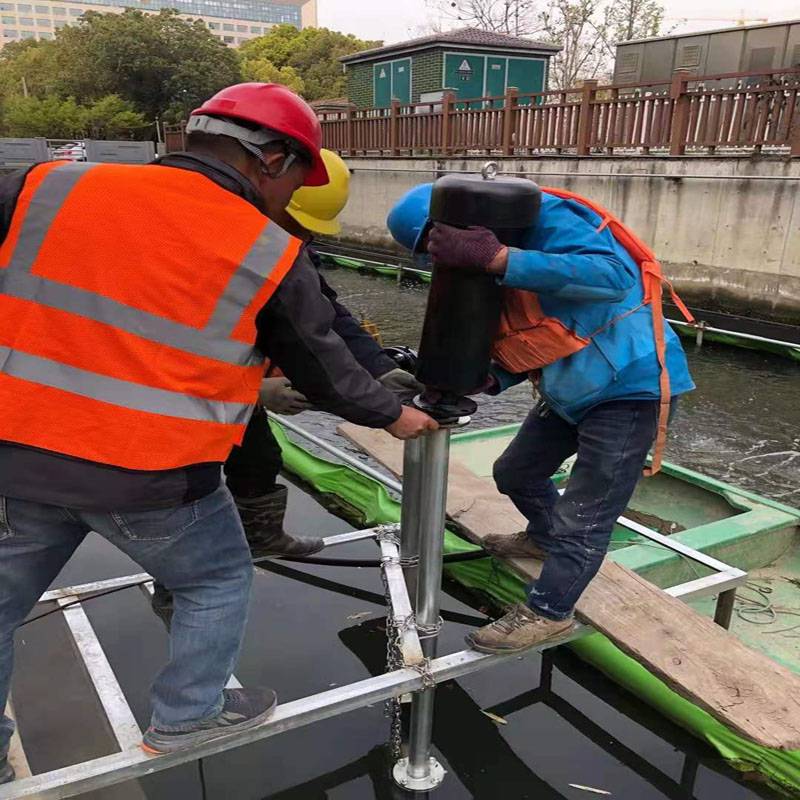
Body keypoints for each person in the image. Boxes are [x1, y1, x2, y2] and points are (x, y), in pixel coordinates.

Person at [0, 82, 437, 775]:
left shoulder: (45, 185)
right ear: (271, 159)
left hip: (18, 456)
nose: (290, 196)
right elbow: (321, 364)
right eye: (297, 176)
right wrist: (398, 413)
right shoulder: (262, 246)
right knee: (217, 580)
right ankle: (187, 718)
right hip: (150, 473)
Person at [387, 181, 694, 655]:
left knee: (586, 514)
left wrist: (499, 260)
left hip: (631, 386)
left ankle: (549, 611)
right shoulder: (488, 257)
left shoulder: (549, 222)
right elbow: (536, 334)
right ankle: (545, 539)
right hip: (571, 388)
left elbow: (614, 276)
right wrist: (481, 381)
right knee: (515, 472)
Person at [149, 148, 422, 626]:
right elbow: (161, 351)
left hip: (227, 385)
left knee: (259, 460)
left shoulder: (286, 244)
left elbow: (329, 316)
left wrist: (379, 369)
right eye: (298, 219)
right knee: (188, 494)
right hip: (167, 404)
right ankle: (177, 590)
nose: (304, 236)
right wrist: (254, 390)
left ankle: (262, 537)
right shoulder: (198, 242)